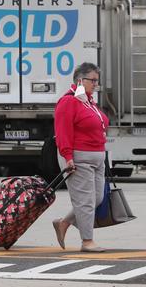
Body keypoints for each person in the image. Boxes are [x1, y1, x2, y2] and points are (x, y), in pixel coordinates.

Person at [51, 62, 110, 252]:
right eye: (92, 80)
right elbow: (62, 133)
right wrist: (68, 157)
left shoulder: (88, 101)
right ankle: (87, 241)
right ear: (80, 80)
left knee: (97, 198)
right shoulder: (68, 101)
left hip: (97, 157)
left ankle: (64, 223)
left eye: (97, 81)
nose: (95, 84)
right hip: (79, 158)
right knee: (84, 201)